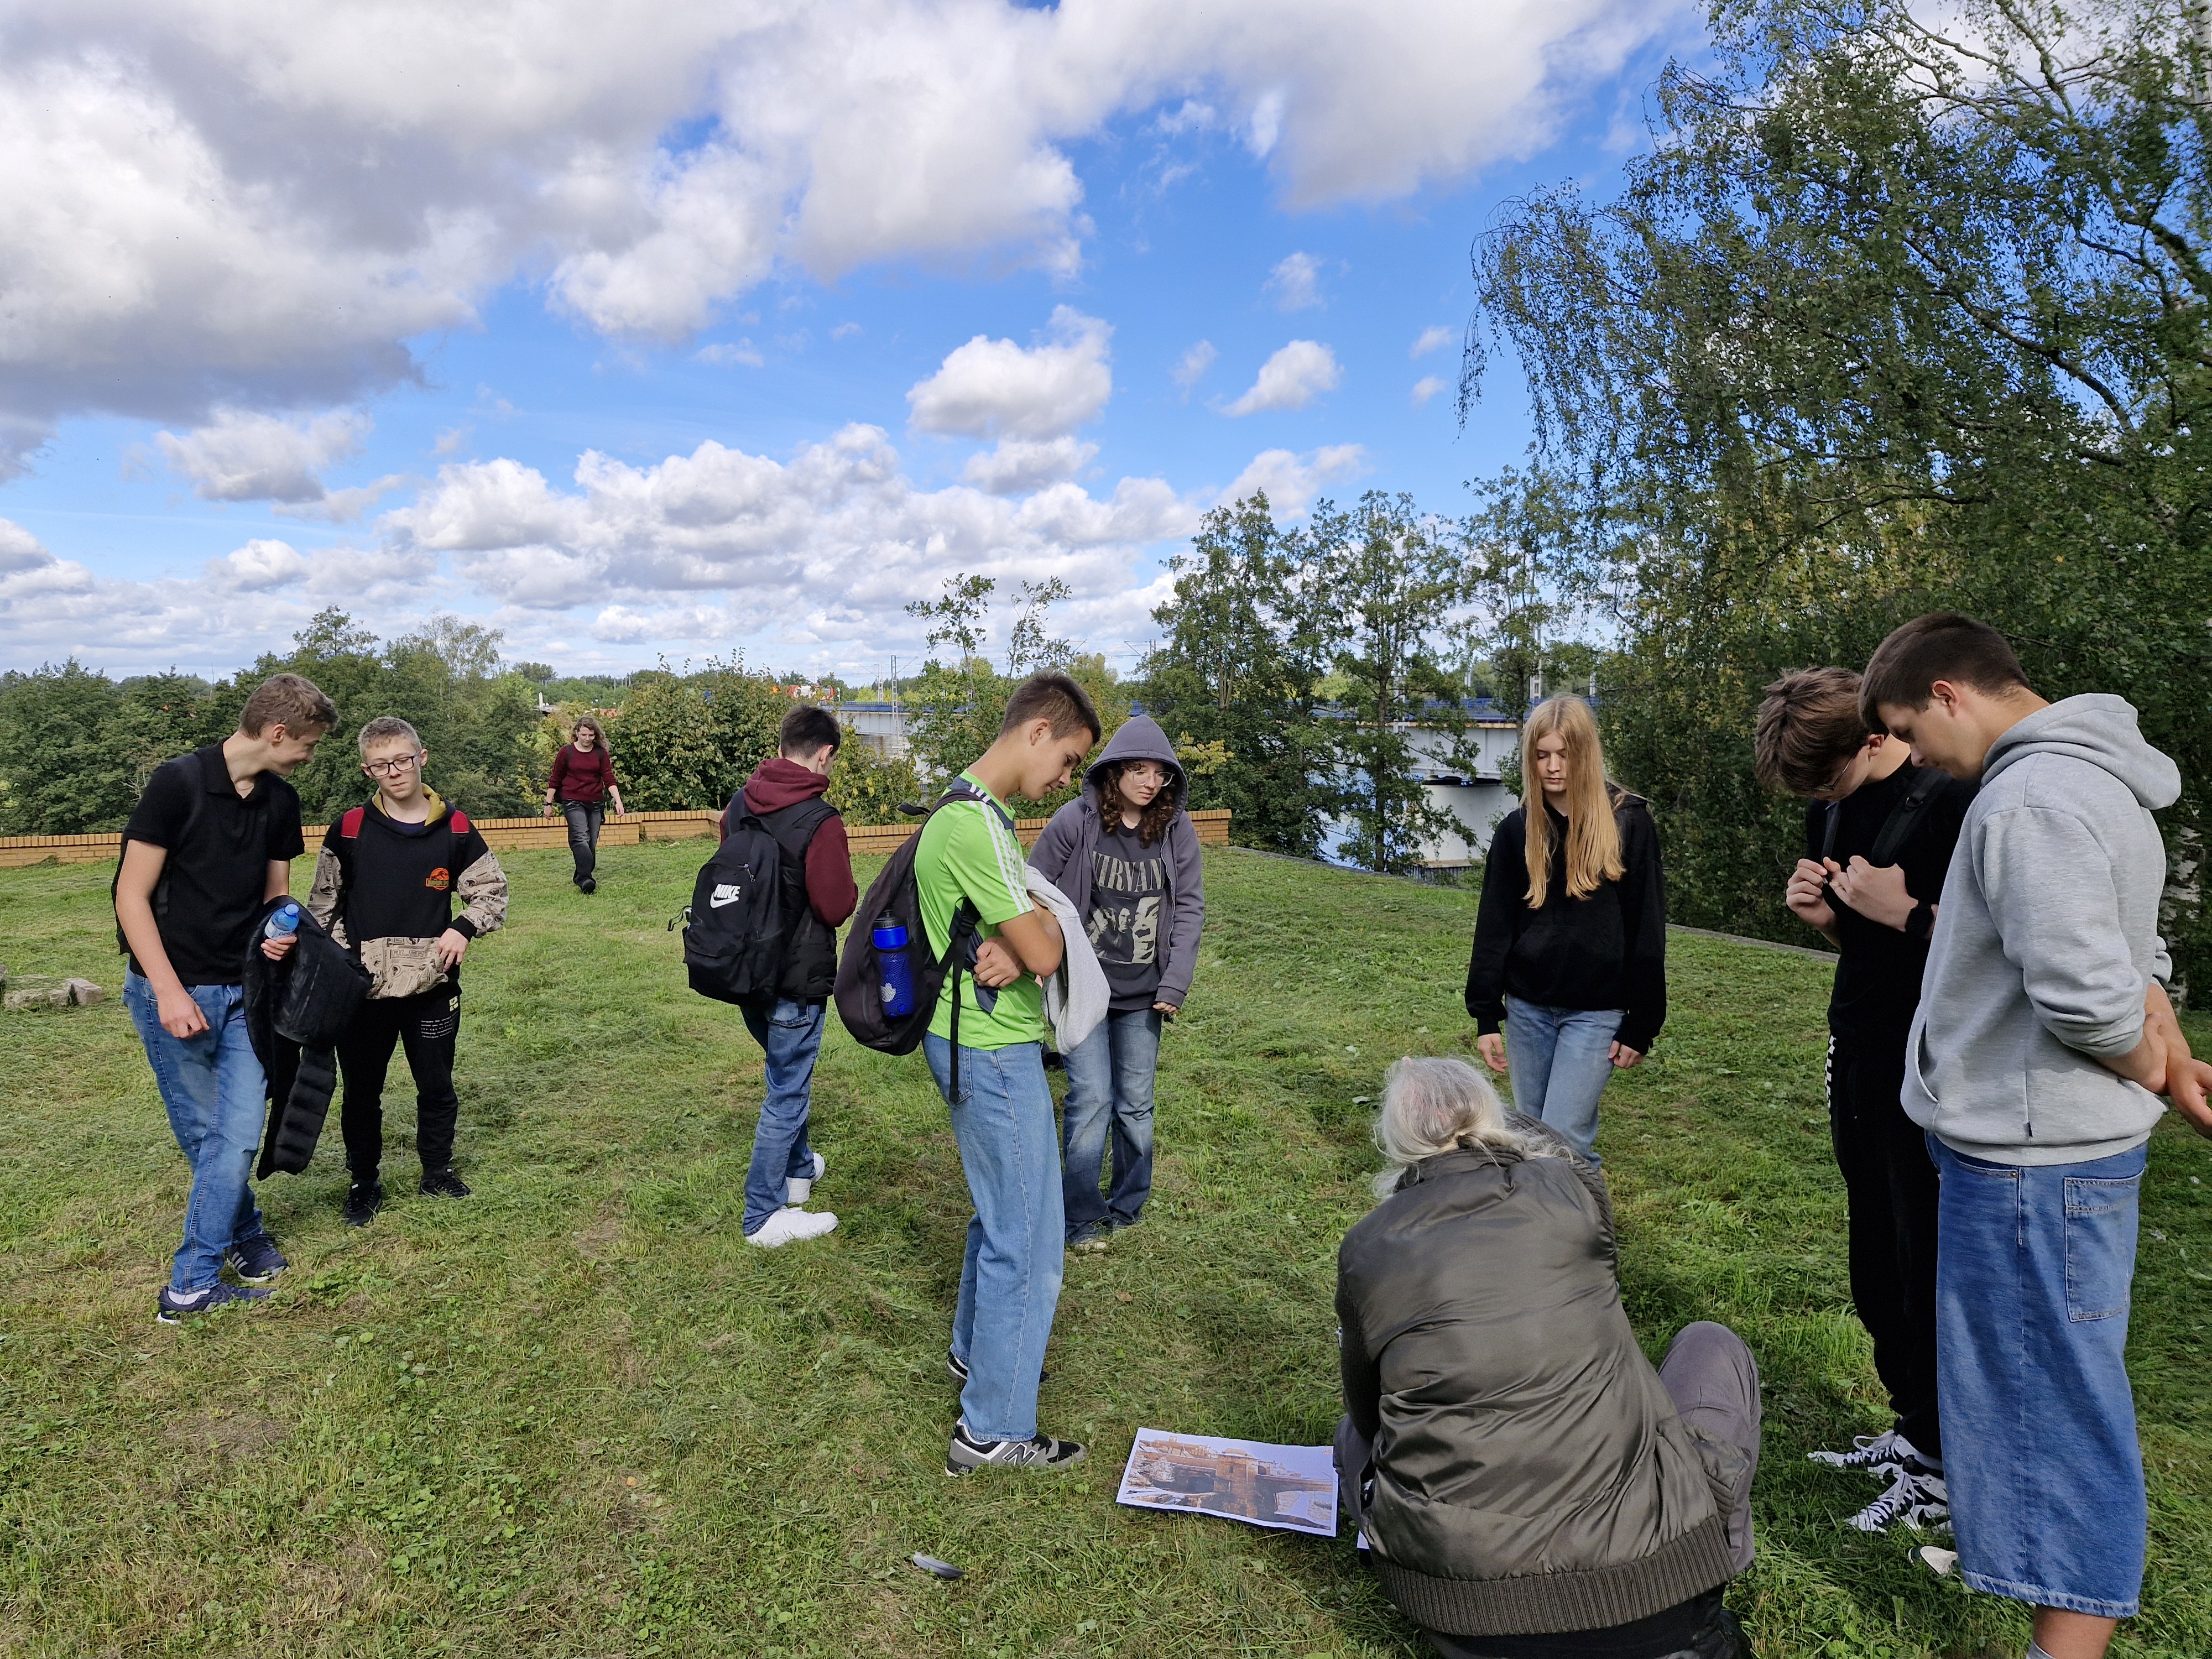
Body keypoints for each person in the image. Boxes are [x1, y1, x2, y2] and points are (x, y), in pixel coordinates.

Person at [1862, 613, 2212, 1659]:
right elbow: (2140, 963)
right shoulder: (2098, 780)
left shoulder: (2032, 797)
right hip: (2049, 1153)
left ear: (1948, 694)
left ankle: (2063, 1647)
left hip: (2032, 1164)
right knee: (2046, 1395)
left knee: (2048, 1411)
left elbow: (2090, 998)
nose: (1915, 757)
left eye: (1909, 732)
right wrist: (2175, 1063)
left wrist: (2150, 1065)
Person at [1336, 1057, 1760, 1659]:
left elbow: (1366, 1412)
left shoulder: (1367, 1247)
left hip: (1472, 1620)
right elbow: (1561, 1152)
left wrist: (1428, 1102)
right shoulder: (1571, 1190)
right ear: (1492, 1118)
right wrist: (1470, 1109)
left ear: (1397, 1141)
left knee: (1349, 1439)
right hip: (1657, 1589)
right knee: (1710, 1344)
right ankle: (1714, 1551)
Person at [1753, 667, 1974, 1533]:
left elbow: (1993, 950)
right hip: (1859, 1042)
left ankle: (1946, 1461)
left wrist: (1909, 912)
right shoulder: (1831, 808)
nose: (1822, 801)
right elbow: (1865, 943)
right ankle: (1912, 1430)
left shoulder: (1953, 799)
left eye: (1830, 780)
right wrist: (1829, 921)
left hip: (1935, 1059)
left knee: (1925, 1258)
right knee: (1876, 1256)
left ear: (1876, 737)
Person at [915, 672, 1100, 1476]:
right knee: (1029, 1238)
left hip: (970, 1037)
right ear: (1037, 732)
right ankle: (991, 1430)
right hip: (991, 1048)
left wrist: (1029, 936)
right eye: (1069, 758)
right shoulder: (976, 824)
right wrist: (1042, 933)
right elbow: (1047, 950)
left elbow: (1025, 938)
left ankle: (979, 1354)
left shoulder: (970, 811)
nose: (1065, 778)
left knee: (1002, 1212)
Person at [114, 672, 335, 1322]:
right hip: (172, 991)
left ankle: (199, 1273)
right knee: (206, 1135)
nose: (310, 755)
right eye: (309, 743)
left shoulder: (280, 801)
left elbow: (275, 897)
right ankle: (226, 1253)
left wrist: (280, 933)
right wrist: (168, 992)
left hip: (247, 993)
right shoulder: (177, 784)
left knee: (234, 1135)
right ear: (277, 732)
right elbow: (131, 896)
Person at [305, 717, 508, 1226]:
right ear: (367, 771)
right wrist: (346, 966)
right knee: (362, 1093)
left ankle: (437, 1172)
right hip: (363, 993)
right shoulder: (349, 829)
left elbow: (492, 892)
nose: (394, 772)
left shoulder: (455, 828)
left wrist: (463, 927)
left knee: (436, 1086)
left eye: (402, 760)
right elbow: (322, 910)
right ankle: (363, 1182)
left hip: (432, 987)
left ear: (422, 758)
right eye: (381, 765)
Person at [1025, 713, 1205, 1253]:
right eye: (1139, 771)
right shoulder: (1075, 821)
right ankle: (1080, 1216)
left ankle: (1127, 1206)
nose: (1151, 782)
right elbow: (1032, 885)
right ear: (1115, 771)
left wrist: (1175, 982)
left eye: (1161, 774)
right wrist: (1041, 953)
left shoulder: (1176, 829)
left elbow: (1190, 907)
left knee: (1135, 1105)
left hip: (1145, 995)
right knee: (1091, 1100)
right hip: (1085, 989)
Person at [1464, 696, 1666, 1161]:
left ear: (1586, 754)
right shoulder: (1518, 830)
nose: (1553, 767)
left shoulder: (1629, 823)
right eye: (1542, 755)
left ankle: (1584, 1212)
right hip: (1528, 1009)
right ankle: (1538, 1211)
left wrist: (1642, 1024)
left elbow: (1647, 929)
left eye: (1565, 754)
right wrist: (1486, 1015)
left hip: (1596, 1013)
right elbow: (1494, 927)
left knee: (1564, 1140)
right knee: (1528, 1139)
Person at [718, 705, 858, 1249]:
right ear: (825, 754)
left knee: (785, 1076)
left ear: (782, 747)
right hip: (795, 979)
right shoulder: (821, 820)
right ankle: (762, 1216)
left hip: (743, 971)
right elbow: (834, 906)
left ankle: (798, 1172)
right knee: (787, 1091)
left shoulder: (739, 803)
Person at [542, 715, 624, 893]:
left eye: (591, 735)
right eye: (584, 735)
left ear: (596, 735)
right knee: (580, 837)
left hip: (595, 802)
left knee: (591, 842)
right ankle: (586, 880)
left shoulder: (600, 754)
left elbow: (609, 778)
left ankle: (581, 874)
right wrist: (548, 804)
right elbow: (555, 779)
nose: (587, 739)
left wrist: (618, 801)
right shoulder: (566, 753)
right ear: (577, 733)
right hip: (572, 800)